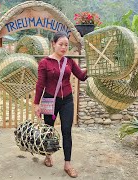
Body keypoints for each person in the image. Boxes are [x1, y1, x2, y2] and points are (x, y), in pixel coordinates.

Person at [33, 31, 87, 178]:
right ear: (53, 44)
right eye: (61, 44)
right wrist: (36, 104)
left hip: (67, 100)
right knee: (48, 130)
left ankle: (67, 164)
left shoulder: (69, 62)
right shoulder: (44, 63)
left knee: (66, 130)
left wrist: (92, 68)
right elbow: (40, 84)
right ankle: (48, 155)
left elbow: (81, 77)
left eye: (66, 45)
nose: (63, 48)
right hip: (49, 100)